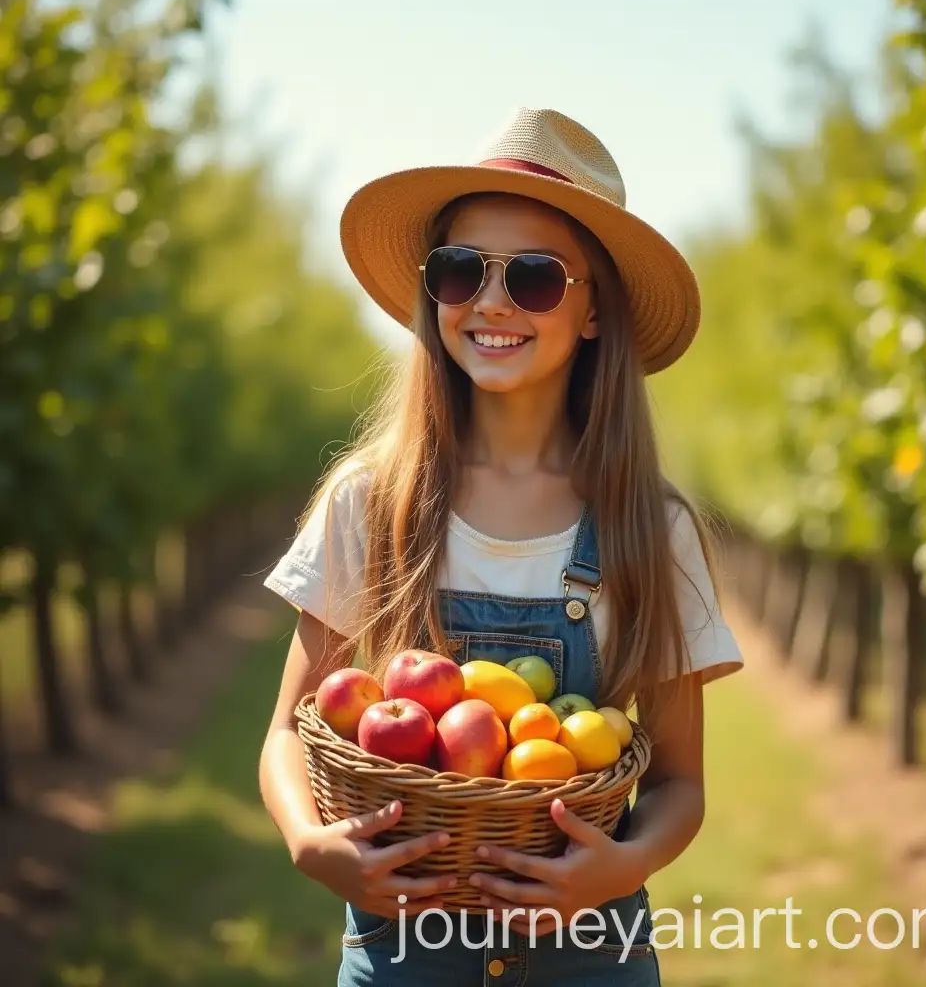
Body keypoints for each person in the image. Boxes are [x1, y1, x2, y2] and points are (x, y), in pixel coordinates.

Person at [258, 106, 744, 986]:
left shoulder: (647, 528)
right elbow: (289, 732)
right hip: (402, 949)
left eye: (535, 277)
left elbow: (678, 784)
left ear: (595, 313)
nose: (490, 300)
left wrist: (619, 868)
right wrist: (309, 844)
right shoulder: (376, 502)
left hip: (590, 952)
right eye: (459, 269)